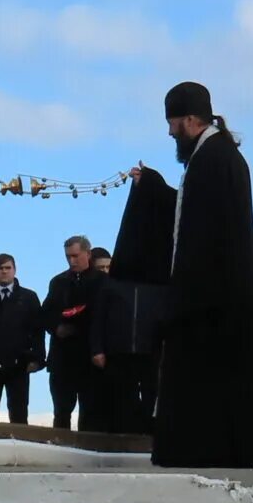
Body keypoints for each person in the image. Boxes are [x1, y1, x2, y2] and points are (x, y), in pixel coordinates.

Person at [150, 81, 253, 468]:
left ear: (190, 119)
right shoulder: (216, 156)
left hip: (213, 298)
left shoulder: (212, 159)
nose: (171, 132)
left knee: (208, 375)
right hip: (220, 292)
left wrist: (185, 296)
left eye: (173, 123)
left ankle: (205, 448)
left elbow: (203, 232)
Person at [94, 168, 175, 435]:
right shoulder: (115, 281)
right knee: (122, 398)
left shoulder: (161, 279)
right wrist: (99, 348)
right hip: (120, 348)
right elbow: (100, 317)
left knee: (152, 393)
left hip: (150, 346)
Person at [0, 254, 45, 424]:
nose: (4, 272)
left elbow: (37, 331)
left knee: (19, 414)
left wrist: (37, 359)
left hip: (18, 364)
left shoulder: (28, 298)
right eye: (0, 268)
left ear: (14, 270)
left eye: (7, 268)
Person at [41, 236, 103, 431]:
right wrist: (57, 327)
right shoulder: (59, 282)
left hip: (89, 355)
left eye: (76, 256)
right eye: (68, 256)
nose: (71, 261)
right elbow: (45, 313)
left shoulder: (102, 282)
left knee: (91, 411)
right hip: (63, 356)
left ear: (88, 254)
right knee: (61, 411)